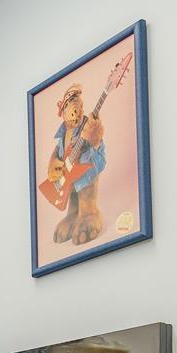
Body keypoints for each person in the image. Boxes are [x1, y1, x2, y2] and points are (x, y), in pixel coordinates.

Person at [43, 82, 106, 245]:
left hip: (85, 170)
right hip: (68, 175)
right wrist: (52, 165)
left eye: (80, 109)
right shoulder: (63, 133)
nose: (78, 115)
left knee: (86, 181)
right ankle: (73, 214)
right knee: (72, 190)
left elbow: (97, 149)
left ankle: (88, 213)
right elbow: (58, 151)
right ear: (63, 113)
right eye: (73, 112)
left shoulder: (86, 126)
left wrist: (95, 139)